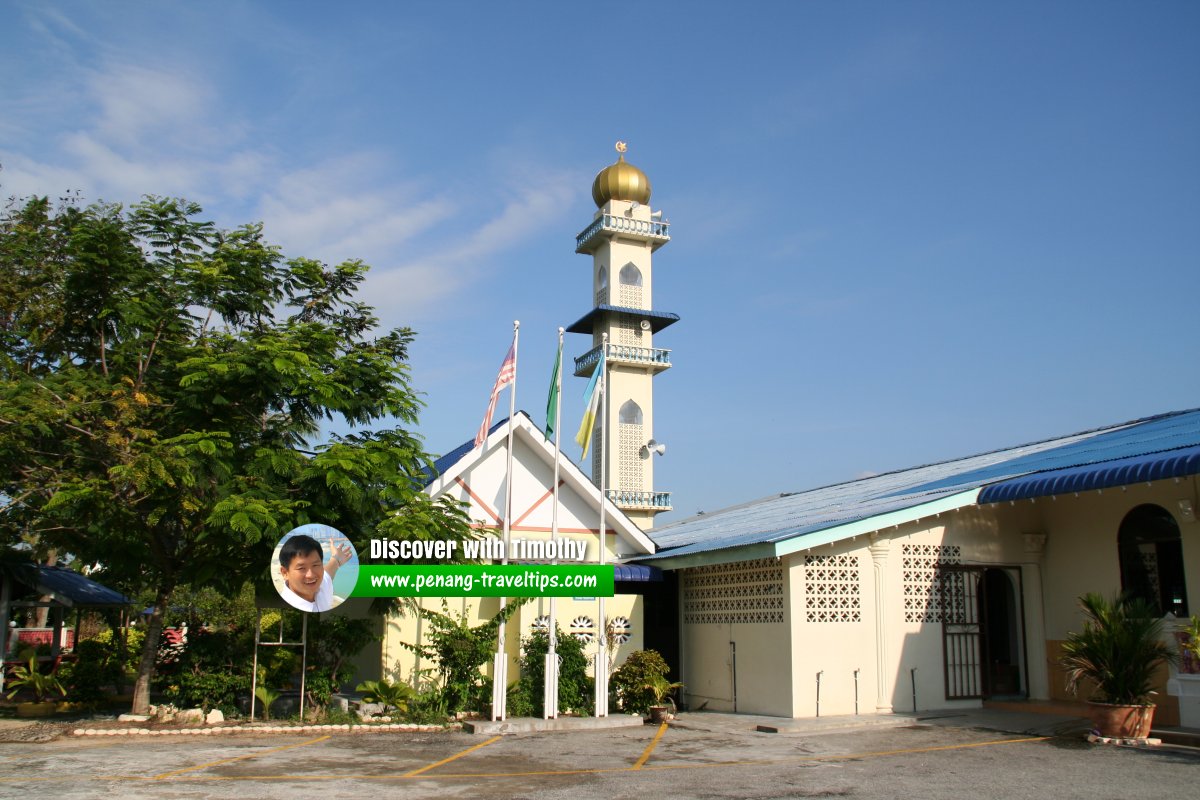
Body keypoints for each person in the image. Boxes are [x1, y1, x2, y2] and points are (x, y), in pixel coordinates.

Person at [277, 534, 352, 612]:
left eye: (315, 565)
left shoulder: (321, 585)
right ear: (285, 573)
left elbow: (328, 571)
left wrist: (336, 559)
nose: (311, 575)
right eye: (301, 568)